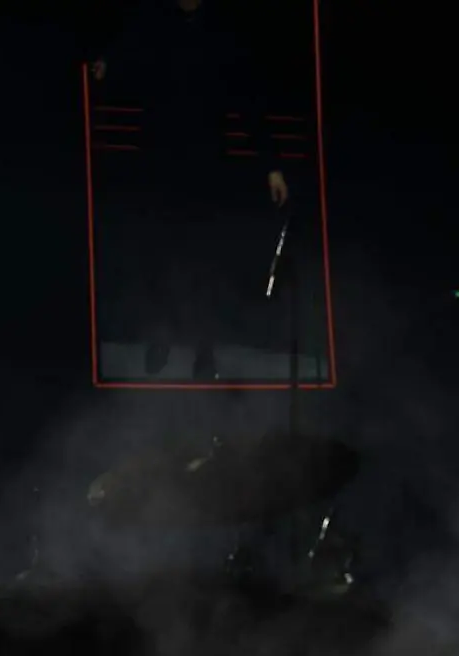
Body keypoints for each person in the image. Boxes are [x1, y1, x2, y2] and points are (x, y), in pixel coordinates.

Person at [89, 0, 296, 380]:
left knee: (205, 259)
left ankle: (205, 349)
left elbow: (250, 102)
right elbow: (128, 46)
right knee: (159, 255)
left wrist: (272, 166)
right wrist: (107, 62)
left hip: (205, 166)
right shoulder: (156, 23)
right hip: (160, 162)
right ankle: (161, 335)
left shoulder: (221, 33)